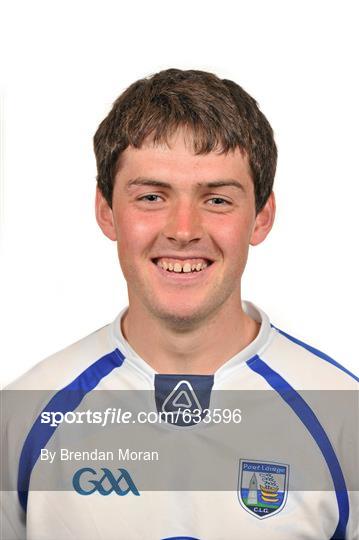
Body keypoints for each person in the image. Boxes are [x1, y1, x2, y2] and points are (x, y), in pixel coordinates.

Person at [1, 68, 358, 540]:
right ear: (107, 211)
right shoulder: (26, 414)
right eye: (151, 196)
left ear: (261, 218)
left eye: (216, 199)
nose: (184, 229)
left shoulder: (342, 416)